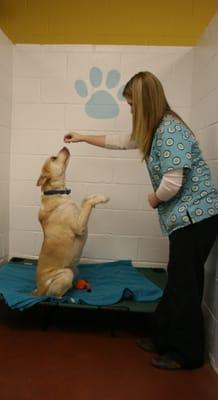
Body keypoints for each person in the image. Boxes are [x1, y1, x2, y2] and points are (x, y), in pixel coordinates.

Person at [64, 71, 218, 370]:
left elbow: (173, 181)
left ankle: (186, 355)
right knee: (177, 280)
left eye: (133, 105)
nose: (131, 110)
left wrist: (154, 198)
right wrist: (83, 136)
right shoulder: (156, 129)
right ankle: (163, 338)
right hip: (187, 219)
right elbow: (119, 141)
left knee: (186, 285)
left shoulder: (170, 129)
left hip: (196, 218)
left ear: (146, 102)